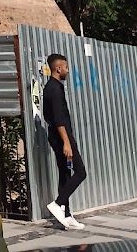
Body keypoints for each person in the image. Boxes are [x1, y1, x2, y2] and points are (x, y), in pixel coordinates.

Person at [42, 53, 87, 230]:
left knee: (65, 174)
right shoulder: (54, 89)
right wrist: (66, 143)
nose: (67, 71)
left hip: (58, 136)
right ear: (58, 68)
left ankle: (66, 215)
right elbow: (58, 119)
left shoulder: (52, 87)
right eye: (66, 67)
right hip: (62, 137)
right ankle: (58, 203)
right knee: (81, 172)